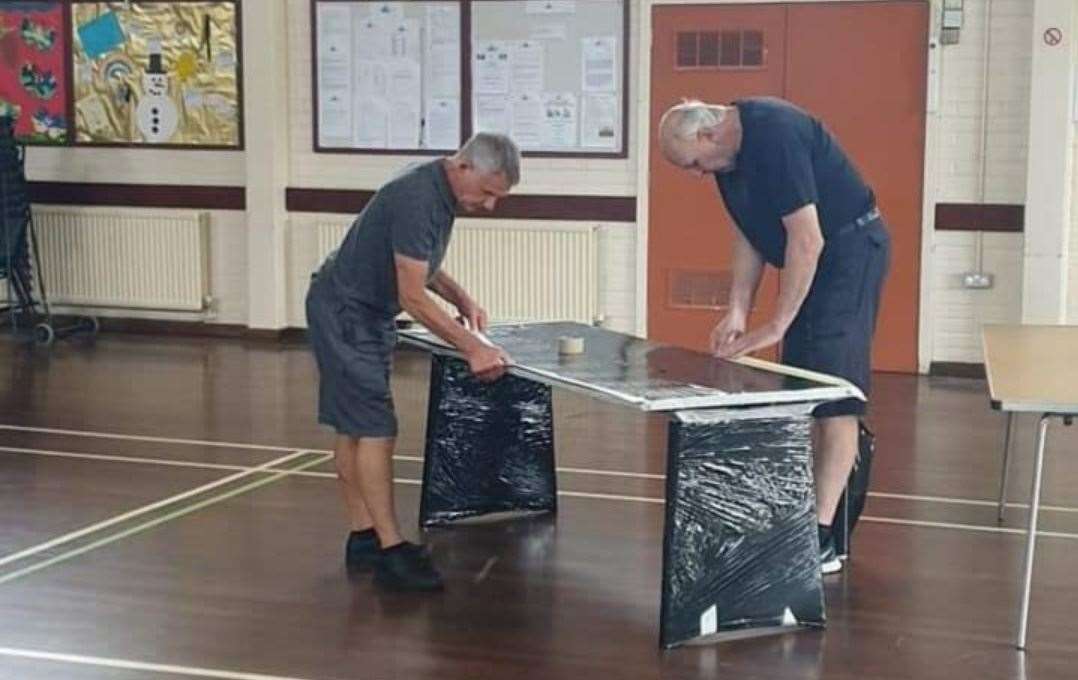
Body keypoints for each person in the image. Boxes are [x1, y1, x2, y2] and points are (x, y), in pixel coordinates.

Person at [658, 97, 890, 574]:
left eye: (694, 164)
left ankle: (822, 539)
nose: (698, 174)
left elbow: (808, 240)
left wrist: (777, 325)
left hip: (850, 252)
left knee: (837, 396)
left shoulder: (775, 135)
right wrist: (738, 310)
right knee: (804, 390)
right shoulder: (727, 162)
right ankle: (805, 518)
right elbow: (750, 235)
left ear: (707, 136)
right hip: (814, 260)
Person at [306, 133, 521, 591]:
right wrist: (473, 347)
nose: (488, 206)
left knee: (355, 426)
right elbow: (412, 295)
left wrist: (461, 297)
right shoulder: (418, 196)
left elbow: (418, 259)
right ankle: (391, 551)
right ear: (464, 167)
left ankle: (363, 536)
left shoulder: (438, 187)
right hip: (347, 311)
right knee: (376, 428)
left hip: (359, 309)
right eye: (487, 193)